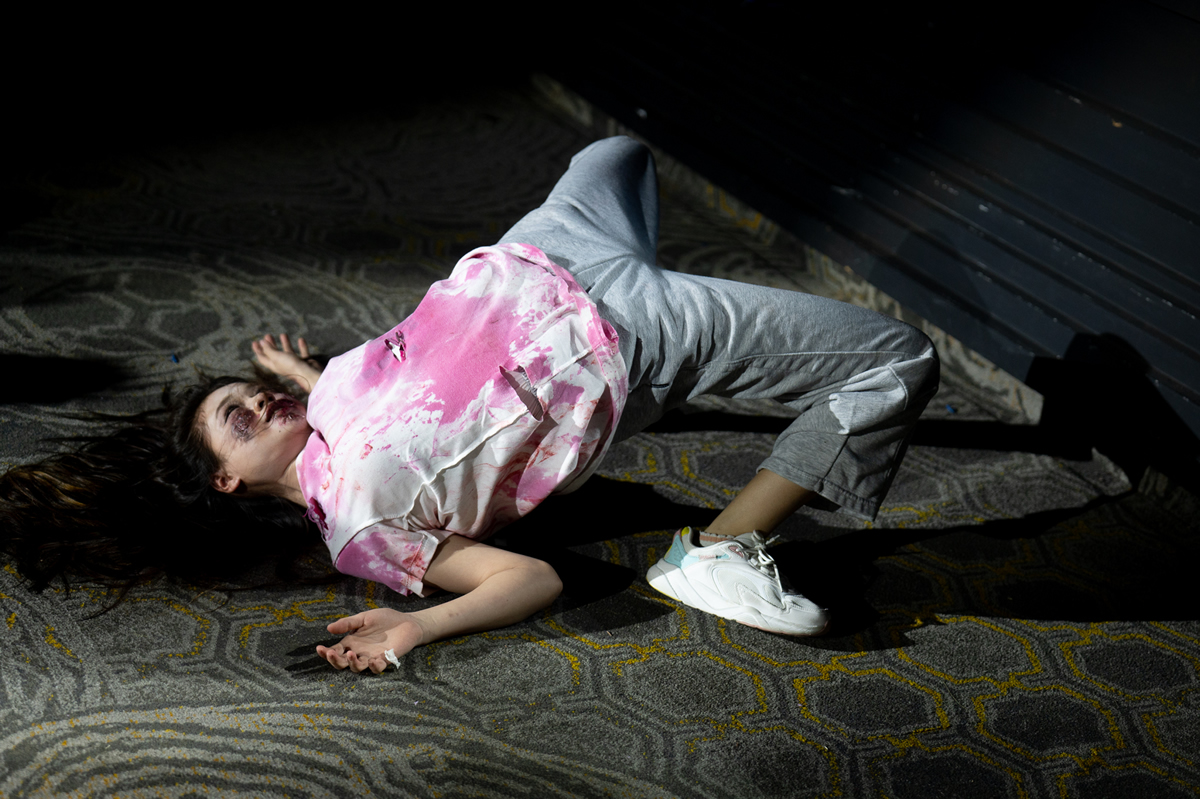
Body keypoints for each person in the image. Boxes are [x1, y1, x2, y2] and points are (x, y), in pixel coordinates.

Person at [1, 137, 938, 675]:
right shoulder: (358, 527)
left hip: (542, 247)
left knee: (619, 151)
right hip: (621, 337)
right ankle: (719, 548)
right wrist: (418, 623)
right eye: (238, 421)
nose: (257, 401)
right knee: (898, 359)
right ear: (229, 484)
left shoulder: (331, 394)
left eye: (250, 394)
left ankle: (691, 377)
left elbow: (387, 391)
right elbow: (527, 580)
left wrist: (300, 375)